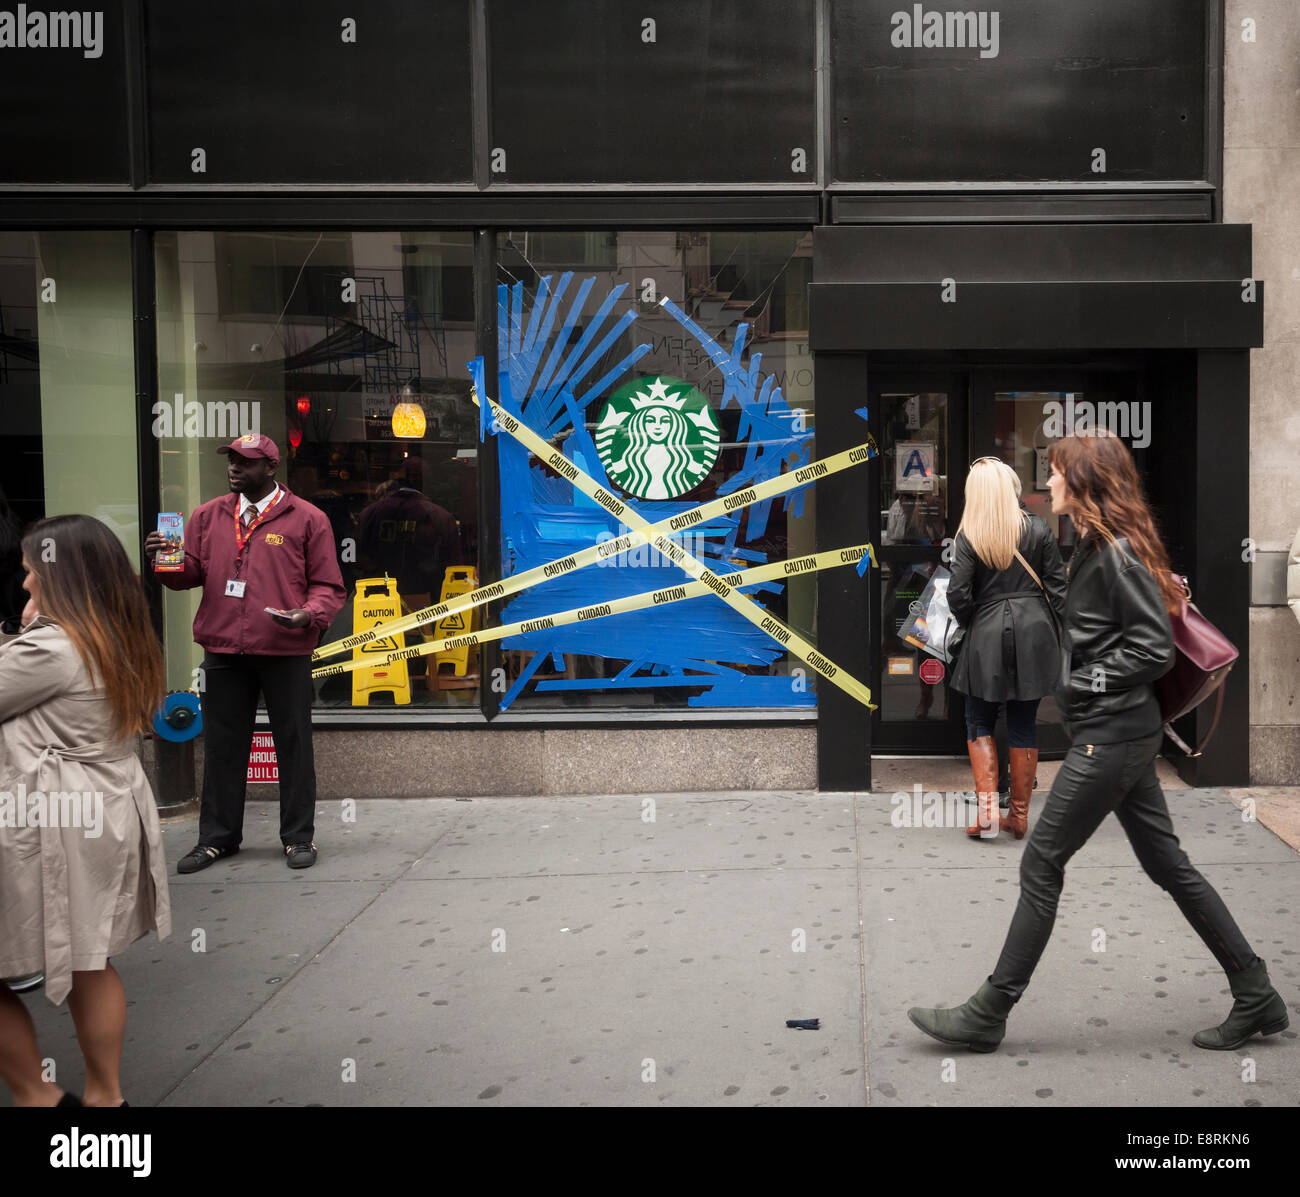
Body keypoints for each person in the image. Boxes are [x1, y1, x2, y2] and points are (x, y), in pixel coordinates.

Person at [909, 430, 1289, 1053]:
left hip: (1110, 737)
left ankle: (989, 1012)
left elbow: (1152, 647)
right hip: (1122, 733)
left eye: (1057, 472)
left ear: (1083, 483)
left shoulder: (1114, 551)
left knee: (1041, 861)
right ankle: (1255, 992)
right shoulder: (1093, 544)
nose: (1049, 481)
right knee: (1170, 865)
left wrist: (1081, 682)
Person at [0, 515, 170, 1106]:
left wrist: (24, 635)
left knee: (67, 954)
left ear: (60, 575)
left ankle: (36, 1097)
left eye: (29, 573)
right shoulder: (117, 634)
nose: (24, 586)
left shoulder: (52, 645)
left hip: (54, 819)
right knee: (87, 958)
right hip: (106, 810)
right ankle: (106, 1098)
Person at [145, 433, 346, 873]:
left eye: (246, 462)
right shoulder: (207, 516)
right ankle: (217, 839)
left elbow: (329, 586)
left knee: (291, 744)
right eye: (232, 460)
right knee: (222, 746)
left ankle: (297, 838)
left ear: (270, 469)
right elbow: (190, 575)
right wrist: (166, 562)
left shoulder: (308, 518)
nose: (235, 467)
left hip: (284, 648)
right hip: (224, 648)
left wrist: (307, 615)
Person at [948, 458, 1065, 838]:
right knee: (1023, 723)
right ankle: (1018, 816)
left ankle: (986, 816)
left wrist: (973, 624)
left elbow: (958, 595)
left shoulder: (970, 536)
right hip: (1035, 635)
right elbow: (1059, 592)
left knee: (978, 719)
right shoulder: (1039, 530)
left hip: (985, 633)